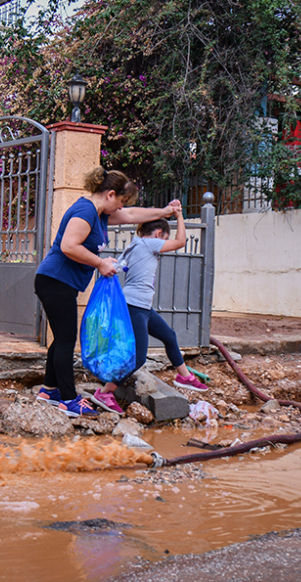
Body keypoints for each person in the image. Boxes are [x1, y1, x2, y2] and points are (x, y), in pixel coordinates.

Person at [34, 168, 179, 417]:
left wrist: (165, 212)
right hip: (55, 280)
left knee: (61, 338)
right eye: (120, 201)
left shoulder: (99, 214)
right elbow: (69, 245)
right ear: (111, 195)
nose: (121, 207)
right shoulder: (86, 211)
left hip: (60, 282)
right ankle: (69, 400)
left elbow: (132, 214)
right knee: (66, 340)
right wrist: (100, 263)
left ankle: (49, 390)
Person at [88, 205, 207, 415]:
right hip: (136, 306)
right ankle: (106, 392)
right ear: (160, 234)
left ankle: (184, 376)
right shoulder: (149, 243)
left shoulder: (133, 245)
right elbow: (180, 242)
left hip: (140, 306)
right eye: (164, 239)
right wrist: (179, 215)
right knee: (138, 357)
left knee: (169, 336)